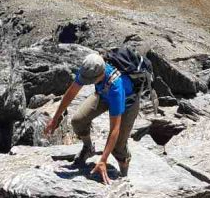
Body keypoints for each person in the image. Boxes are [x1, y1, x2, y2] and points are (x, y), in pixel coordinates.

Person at [43, 51, 139, 184]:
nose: (86, 83)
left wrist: (103, 160)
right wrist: (55, 118)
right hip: (103, 94)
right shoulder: (88, 69)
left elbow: (114, 129)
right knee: (78, 121)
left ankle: (124, 176)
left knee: (118, 146)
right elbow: (71, 92)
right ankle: (88, 148)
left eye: (90, 82)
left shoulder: (116, 87)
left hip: (127, 102)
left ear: (101, 74)